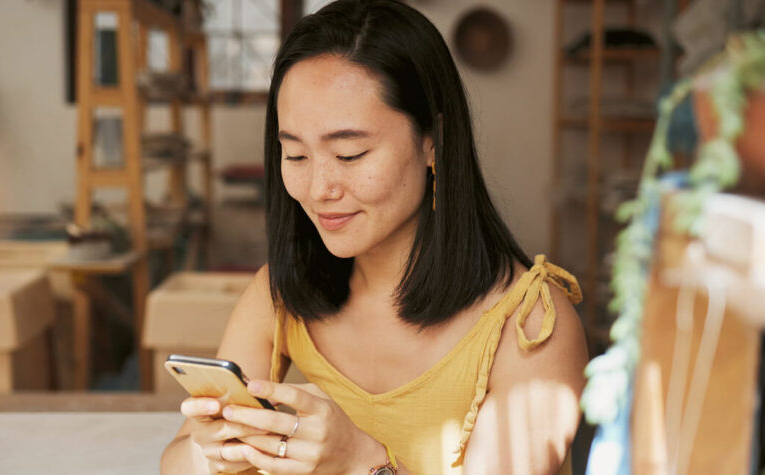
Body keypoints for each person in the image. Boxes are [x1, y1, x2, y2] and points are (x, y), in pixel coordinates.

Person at [160, 0, 587, 473]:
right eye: (296, 157)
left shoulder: (530, 325)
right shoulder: (280, 293)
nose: (320, 189)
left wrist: (361, 462)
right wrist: (215, 453)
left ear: (434, 141)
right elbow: (176, 462)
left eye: (350, 154)